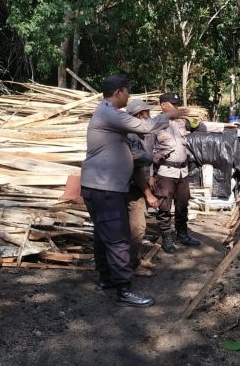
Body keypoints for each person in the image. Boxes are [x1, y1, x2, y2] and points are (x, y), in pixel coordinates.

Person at [80, 75, 187, 307]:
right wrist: (168, 115)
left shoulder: (107, 113)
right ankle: (124, 289)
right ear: (118, 92)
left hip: (100, 186)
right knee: (119, 237)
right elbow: (146, 126)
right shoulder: (110, 113)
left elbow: (135, 150)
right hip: (104, 187)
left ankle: (106, 279)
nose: (129, 97)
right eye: (127, 92)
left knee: (103, 234)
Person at [152, 92, 239, 253]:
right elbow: (146, 147)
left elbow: (202, 126)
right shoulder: (155, 124)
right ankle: (166, 237)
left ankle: (182, 234)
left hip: (182, 171)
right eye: (173, 105)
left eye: (177, 105)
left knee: (182, 204)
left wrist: (226, 126)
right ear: (163, 105)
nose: (177, 108)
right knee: (164, 206)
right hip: (165, 171)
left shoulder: (182, 122)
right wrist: (153, 162)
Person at [125, 99, 158, 277]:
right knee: (137, 228)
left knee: (132, 227)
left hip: (132, 187)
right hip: (132, 188)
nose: (150, 117)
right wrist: (149, 195)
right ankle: (132, 266)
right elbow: (137, 170)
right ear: (139, 116)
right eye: (147, 114)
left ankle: (135, 259)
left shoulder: (137, 135)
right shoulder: (132, 136)